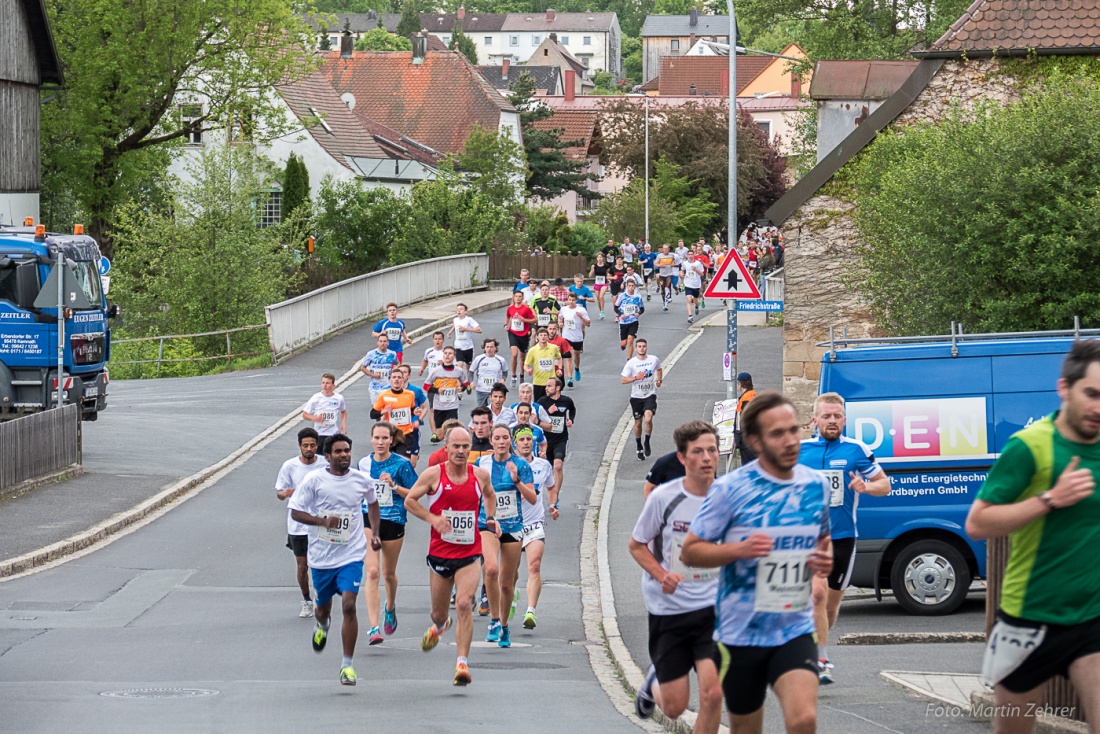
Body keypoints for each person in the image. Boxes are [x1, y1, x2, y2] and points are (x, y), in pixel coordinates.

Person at [965, 339, 1100, 734]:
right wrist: (1049, 499)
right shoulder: (1029, 446)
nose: (1098, 407)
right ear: (1064, 389)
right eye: (1090, 394)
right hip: (1028, 622)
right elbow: (978, 523)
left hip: (1091, 617)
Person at [680, 393, 833, 733]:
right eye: (778, 434)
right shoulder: (730, 489)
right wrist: (739, 550)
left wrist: (824, 558)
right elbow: (690, 551)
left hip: (793, 626)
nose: (790, 440)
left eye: (794, 430)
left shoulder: (815, 485)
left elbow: (823, 537)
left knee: (804, 718)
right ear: (755, 441)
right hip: (739, 634)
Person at [630, 421, 724, 733]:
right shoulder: (664, 498)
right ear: (683, 458)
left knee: (713, 694)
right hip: (668, 608)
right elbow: (636, 545)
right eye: (698, 451)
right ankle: (653, 680)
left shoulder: (728, 498)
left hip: (712, 608)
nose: (708, 457)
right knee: (674, 706)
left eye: (712, 450)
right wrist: (662, 574)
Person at [798, 392, 890, 684]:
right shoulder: (799, 450)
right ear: (815, 420)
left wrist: (865, 487)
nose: (832, 421)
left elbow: (885, 485)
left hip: (843, 536)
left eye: (837, 416)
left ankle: (816, 643)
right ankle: (820, 659)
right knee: (817, 594)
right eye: (826, 416)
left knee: (830, 605)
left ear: (845, 419)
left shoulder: (856, 450)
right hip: (809, 538)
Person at [404, 426, 497, 686]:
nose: (460, 451)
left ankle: (462, 665)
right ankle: (440, 626)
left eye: (465, 447)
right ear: (446, 448)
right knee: (438, 613)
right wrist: (432, 518)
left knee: (465, 603)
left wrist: (490, 518)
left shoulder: (479, 475)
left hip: (469, 552)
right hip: (440, 553)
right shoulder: (433, 474)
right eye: (455, 446)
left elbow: (490, 496)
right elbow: (410, 500)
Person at [288, 433, 383, 686]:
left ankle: (347, 666)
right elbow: (295, 511)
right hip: (321, 557)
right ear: (327, 456)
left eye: (347, 451)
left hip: (351, 553)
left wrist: (374, 533)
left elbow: (373, 504)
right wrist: (321, 521)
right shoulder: (314, 480)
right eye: (339, 452)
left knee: (350, 605)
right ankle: (322, 624)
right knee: (323, 608)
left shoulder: (362, 480)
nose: (344, 455)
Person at [357, 422, 419, 646]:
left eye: (385, 438)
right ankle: (374, 627)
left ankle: (390, 607)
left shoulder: (401, 465)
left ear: (391, 440)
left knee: (388, 574)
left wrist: (394, 486)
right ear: (371, 439)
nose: (381, 442)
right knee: (372, 572)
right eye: (377, 438)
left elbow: (414, 492)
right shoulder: (363, 463)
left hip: (394, 520)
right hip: (369, 519)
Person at [476, 424, 537, 648]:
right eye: (497, 438)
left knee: (506, 582)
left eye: (505, 438)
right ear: (491, 441)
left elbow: (532, 498)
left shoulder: (521, 464)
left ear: (510, 440)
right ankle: (493, 620)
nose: (501, 442)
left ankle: (503, 626)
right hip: (488, 523)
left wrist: (517, 480)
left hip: (512, 526)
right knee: (490, 569)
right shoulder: (481, 464)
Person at [276, 427, 329, 618]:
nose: (309, 449)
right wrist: (286, 493)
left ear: (317, 446)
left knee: (321, 563)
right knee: (302, 564)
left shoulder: (324, 464)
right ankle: (306, 600)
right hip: (297, 524)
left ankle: (321, 597)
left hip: (320, 521)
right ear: (299, 446)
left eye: (312, 446)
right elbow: (279, 493)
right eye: (305, 446)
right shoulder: (289, 466)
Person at [512, 424, 559, 630]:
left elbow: (551, 486)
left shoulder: (543, 465)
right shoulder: (508, 466)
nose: (525, 443)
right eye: (521, 440)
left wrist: (552, 505)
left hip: (534, 523)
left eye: (528, 439)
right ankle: (511, 594)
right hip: (512, 524)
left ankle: (531, 611)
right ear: (515, 444)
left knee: (534, 565)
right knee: (510, 572)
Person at [621, 338, 663, 461]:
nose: (642, 348)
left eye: (644, 346)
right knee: (638, 422)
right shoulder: (631, 363)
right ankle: (639, 445)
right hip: (636, 396)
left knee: (648, 418)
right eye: (639, 346)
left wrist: (659, 380)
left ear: (646, 347)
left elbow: (659, 369)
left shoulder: (653, 359)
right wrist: (635, 377)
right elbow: (623, 380)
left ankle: (647, 441)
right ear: (635, 348)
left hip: (649, 394)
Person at [537, 376, 575, 499]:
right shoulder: (542, 401)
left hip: (561, 439)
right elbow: (535, 418)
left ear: (557, 388)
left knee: (558, 466)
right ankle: (540, 494)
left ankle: (555, 495)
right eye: (546, 386)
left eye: (549, 386)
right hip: (545, 441)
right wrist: (548, 412)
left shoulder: (566, 400)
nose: (546, 388)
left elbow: (572, 410)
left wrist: (571, 420)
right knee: (546, 469)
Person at [370, 368, 421, 455]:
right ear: (390, 380)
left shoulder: (410, 394)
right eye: (394, 377)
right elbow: (372, 414)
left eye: (399, 377)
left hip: (406, 433)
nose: (396, 379)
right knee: (389, 461)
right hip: (391, 433)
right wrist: (384, 411)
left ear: (402, 380)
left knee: (403, 460)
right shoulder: (384, 395)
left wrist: (415, 412)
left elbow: (411, 410)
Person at [423, 346, 468, 442]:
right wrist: (437, 390)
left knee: (450, 431)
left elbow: (465, 383)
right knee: (440, 434)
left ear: (454, 356)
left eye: (450, 353)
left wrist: (461, 388)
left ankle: (449, 449)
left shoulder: (458, 371)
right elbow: (426, 386)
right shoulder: (436, 371)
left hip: (452, 405)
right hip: (439, 406)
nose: (447, 355)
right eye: (445, 353)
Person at [302, 373, 347, 452]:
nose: (325, 385)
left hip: (333, 433)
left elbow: (343, 411)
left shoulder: (339, 398)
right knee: (319, 458)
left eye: (327, 383)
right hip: (319, 434)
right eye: (323, 383)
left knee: (332, 458)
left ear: (333, 385)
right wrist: (315, 418)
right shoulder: (316, 398)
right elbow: (305, 414)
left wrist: (343, 423)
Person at [394, 364, 428, 467]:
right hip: (396, 429)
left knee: (411, 464)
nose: (402, 375)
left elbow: (425, 407)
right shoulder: (389, 392)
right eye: (400, 372)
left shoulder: (415, 391)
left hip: (412, 429)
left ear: (408, 375)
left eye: (404, 372)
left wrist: (419, 419)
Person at [558, 291, 591, 384]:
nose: (571, 302)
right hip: (566, 336)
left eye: (573, 300)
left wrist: (581, 317)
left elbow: (588, 323)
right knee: (568, 357)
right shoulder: (564, 309)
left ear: (576, 300)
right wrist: (560, 322)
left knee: (576, 354)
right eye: (569, 300)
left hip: (577, 336)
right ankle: (570, 378)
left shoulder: (581, 310)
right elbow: (560, 317)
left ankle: (577, 368)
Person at [505, 290, 537, 386]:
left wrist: (524, 320)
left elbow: (534, 319)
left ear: (522, 298)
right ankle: (514, 375)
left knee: (522, 356)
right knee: (514, 354)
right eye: (516, 296)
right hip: (513, 332)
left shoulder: (526, 309)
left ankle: (522, 375)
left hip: (524, 334)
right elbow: (507, 317)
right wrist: (506, 325)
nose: (518, 298)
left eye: (520, 296)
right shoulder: (510, 308)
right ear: (513, 298)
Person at [524, 328, 562, 402]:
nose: (543, 337)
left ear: (548, 337)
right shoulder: (533, 350)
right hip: (538, 382)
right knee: (538, 404)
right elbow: (526, 365)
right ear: (537, 337)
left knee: (552, 403)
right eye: (541, 335)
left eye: (545, 335)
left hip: (551, 382)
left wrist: (559, 369)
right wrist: (527, 370)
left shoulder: (553, 348)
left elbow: (559, 358)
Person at [361, 333, 400, 405]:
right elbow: (363, 367)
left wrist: (394, 371)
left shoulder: (392, 354)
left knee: (387, 408)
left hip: (388, 386)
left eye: (385, 341)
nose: (383, 343)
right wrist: (372, 375)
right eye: (381, 341)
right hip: (374, 387)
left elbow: (397, 363)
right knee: (376, 410)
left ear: (388, 343)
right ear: (377, 343)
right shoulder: (371, 354)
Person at [470, 338, 510, 407]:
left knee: (492, 409)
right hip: (481, 390)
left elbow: (505, 372)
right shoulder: (479, 359)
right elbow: (471, 371)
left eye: (491, 347)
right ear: (484, 348)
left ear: (495, 348)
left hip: (494, 390)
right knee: (481, 411)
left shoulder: (500, 360)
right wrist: (471, 382)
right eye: (487, 347)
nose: (489, 349)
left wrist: (503, 379)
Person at [614, 278, 646, 355]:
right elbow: (615, 307)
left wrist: (639, 313)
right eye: (629, 286)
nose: (631, 287)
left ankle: (629, 360)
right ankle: (623, 345)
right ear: (626, 286)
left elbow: (642, 309)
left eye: (632, 286)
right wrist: (620, 314)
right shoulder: (622, 296)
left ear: (634, 287)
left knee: (630, 340)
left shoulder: (637, 297)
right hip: (623, 322)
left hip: (633, 321)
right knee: (623, 343)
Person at [447, 303, 481, 374]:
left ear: (465, 311)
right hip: (458, 345)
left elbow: (479, 330)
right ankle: (460, 383)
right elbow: (455, 325)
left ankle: (467, 384)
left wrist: (466, 329)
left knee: (468, 367)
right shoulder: (455, 319)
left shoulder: (469, 320)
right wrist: (450, 332)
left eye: (461, 309)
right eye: (457, 310)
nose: (459, 311)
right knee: (459, 365)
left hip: (468, 345)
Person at [735, 373, 758, 465]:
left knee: (748, 467)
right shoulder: (755, 395)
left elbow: (747, 420)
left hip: (746, 441)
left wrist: (739, 438)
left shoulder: (745, 399)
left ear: (740, 384)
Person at [545, 321, 574, 388]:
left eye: (554, 329)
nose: (552, 331)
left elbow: (568, 354)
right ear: (547, 329)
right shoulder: (544, 340)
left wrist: (558, 355)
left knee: (560, 387)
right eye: (550, 329)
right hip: (546, 369)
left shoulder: (561, 340)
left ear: (557, 329)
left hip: (558, 369)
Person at [681, 252, 706, 324]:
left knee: (695, 300)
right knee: (688, 299)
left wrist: (696, 270)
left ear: (694, 255)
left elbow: (702, 273)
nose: (690, 256)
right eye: (689, 254)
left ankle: (697, 306)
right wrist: (682, 274)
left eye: (692, 254)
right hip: (688, 284)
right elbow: (682, 270)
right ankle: (690, 316)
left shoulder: (698, 264)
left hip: (696, 285)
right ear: (687, 255)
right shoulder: (685, 263)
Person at [656, 245, 680, 311]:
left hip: (669, 274)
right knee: (663, 289)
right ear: (662, 249)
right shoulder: (659, 256)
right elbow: (655, 264)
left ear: (668, 249)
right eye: (664, 248)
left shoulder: (672, 255)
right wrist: (660, 265)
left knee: (667, 286)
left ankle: (668, 300)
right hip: (662, 275)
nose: (665, 250)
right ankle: (664, 302)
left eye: (667, 248)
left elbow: (679, 263)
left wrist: (674, 264)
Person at [589, 253, 611, 319]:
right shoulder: (594, 266)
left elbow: (608, 273)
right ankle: (601, 311)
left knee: (601, 297)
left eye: (601, 257)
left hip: (604, 283)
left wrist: (609, 279)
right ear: (596, 258)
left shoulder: (606, 266)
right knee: (598, 298)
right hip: (597, 283)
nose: (599, 259)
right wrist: (592, 270)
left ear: (603, 258)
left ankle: (602, 311)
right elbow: (590, 276)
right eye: (598, 257)